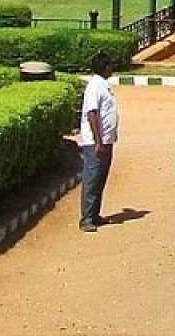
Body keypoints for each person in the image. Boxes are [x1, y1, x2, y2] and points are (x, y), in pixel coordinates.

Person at [78, 52, 119, 232]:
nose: (112, 68)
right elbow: (92, 114)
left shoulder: (104, 85)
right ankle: (86, 218)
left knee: (100, 179)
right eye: (110, 65)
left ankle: (94, 215)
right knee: (92, 179)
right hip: (95, 142)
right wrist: (98, 142)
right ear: (104, 67)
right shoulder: (94, 86)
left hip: (106, 141)